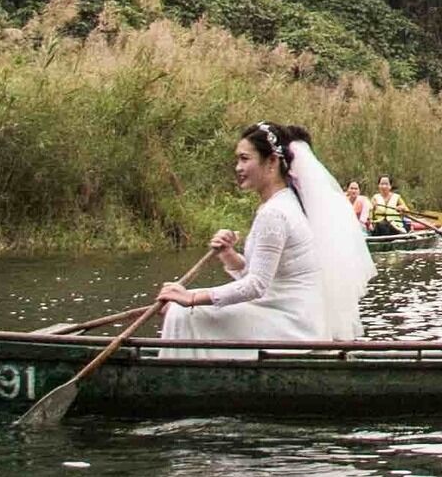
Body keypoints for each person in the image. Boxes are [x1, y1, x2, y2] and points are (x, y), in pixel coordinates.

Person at [159, 121, 375, 344]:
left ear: (272, 162)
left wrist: (191, 298)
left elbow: (255, 286)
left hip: (292, 323)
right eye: (238, 159)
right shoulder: (280, 204)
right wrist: (228, 254)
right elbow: (259, 277)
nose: (238, 168)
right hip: (291, 316)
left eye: (245, 159)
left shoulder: (275, 212)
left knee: (182, 312)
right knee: (181, 308)